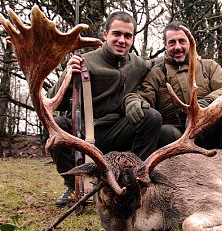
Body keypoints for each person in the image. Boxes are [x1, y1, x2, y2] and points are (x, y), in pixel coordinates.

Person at [47, 11, 162, 207]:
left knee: (151, 117)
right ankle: (72, 185)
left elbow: (161, 62)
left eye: (127, 36)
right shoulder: (85, 61)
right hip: (85, 135)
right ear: (105, 34)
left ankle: (136, 182)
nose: (121, 40)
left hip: (118, 131)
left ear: (133, 38)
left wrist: (190, 55)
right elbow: (51, 101)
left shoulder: (138, 64)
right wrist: (67, 74)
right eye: (116, 34)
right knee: (56, 125)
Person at [123, 20, 222, 150]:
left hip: (209, 129)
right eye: (172, 42)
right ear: (165, 44)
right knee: (165, 132)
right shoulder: (157, 73)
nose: (177, 47)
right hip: (177, 135)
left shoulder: (209, 66)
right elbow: (144, 96)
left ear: (190, 41)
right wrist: (133, 100)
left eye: (182, 41)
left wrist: (208, 103)